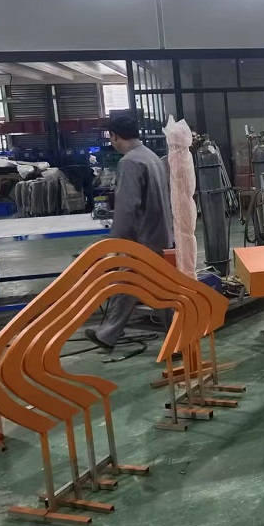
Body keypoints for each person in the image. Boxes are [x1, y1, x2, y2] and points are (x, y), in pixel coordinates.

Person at [85, 114, 174, 350]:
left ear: (114, 136)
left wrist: (116, 243)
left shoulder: (130, 162)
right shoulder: (151, 157)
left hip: (143, 238)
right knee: (135, 284)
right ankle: (108, 334)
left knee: (146, 287)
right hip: (160, 233)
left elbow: (127, 205)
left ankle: (178, 339)